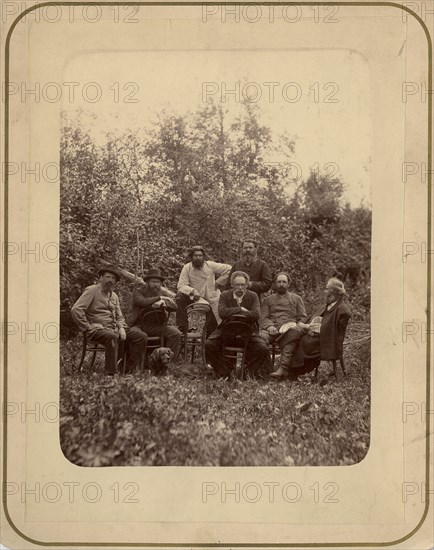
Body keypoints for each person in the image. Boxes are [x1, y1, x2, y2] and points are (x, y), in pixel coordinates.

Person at [71, 265, 147, 375]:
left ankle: (128, 370)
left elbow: (119, 316)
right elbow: (76, 309)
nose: (110, 280)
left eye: (113, 278)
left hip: (114, 328)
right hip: (96, 330)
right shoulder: (92, 290)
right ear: (100, 278)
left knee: (141, 336)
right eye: (108, 277)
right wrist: (88, 326)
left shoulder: (114, 296)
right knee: (112, 337)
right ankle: (110, 373)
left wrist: (121, 327)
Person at [205, 271, 270, 378]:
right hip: (226, 331)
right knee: (209, 345)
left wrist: (235, 312)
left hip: (247, 333)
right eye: (237, 285)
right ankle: (224, 371)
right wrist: (240, 309)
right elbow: (222, 312)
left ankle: (246, 372)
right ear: (232, 285)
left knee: (263, 348)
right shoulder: (225, 295)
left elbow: (256, 314)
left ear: (246, 285)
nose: (240, 287)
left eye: (243, 285)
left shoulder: (253, 296)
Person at [290, 278, 351, 375]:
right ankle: (291, 369)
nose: (325, 292)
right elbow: (314, 319)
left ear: (334, 292)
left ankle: (295, 371)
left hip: (329, 343)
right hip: (318, 337)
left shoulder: (343, 310)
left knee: (305, 342)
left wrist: (312, 329)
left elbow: (335, 333)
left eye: (327, 289)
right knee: (296, 337)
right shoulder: (327, 305)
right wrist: (308, 328)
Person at [259, 272, 308, 379]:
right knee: (261, 338)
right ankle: (266, 368)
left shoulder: (296, 298)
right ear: (275, 284)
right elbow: (263, 318)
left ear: (288, 284)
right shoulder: (268, 300)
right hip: (272, 330)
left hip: (289, 330)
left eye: (284, 282)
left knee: (293, 335)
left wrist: (297, 324)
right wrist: (269, 326)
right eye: (279, 282)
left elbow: (302, 316)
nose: (281, 284)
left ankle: (283, 368)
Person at [128, 268, 181, 365]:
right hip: (139, 325)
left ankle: (170, 366)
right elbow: (141, 302)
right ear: (147, 282)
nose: (156, 284)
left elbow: (174, 306)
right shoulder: (139, 291)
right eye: (153, 282)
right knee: (139, 336)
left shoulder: (160, 293)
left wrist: (164, 303)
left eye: (158, 282)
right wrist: (159, 298)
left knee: (175, 333)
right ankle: (137, 366)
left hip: (157, 327)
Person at [176, 245, 231, 332]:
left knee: (216, 326)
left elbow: (229, 269)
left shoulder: (210, 265)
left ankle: (212, 340)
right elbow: (181, 285)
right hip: (197, 299)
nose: (198, 258)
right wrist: (192, 290)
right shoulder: (187, 267)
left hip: (213, 299)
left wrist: (218, 283)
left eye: (200, 255)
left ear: (204, 257)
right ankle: (182, 328)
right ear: (191, 257)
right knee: (179, 296)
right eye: (195, 255)